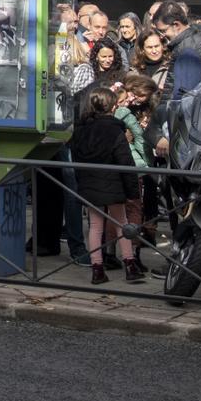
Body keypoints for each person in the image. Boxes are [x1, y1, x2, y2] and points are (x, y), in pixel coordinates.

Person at [69, 86, 142, 284]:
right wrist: (133, 190)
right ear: (112, 106)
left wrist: (81, 182)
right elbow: (125, 161)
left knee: (95, 227)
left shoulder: (80, 130)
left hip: (90, 183)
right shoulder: (114, 130)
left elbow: (76, 159)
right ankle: (130, 265)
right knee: (122, 224)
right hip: (114, 183)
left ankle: (97, 269)